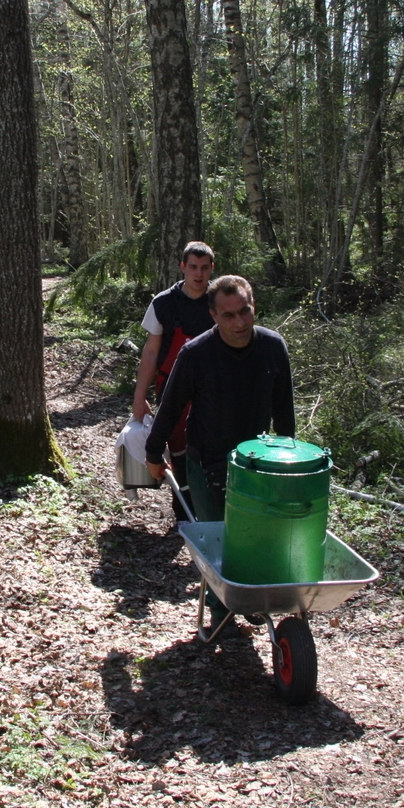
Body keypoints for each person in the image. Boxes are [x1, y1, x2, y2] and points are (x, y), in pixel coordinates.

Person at [144, 274, 295, 639]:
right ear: (213, 315)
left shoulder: (273, 347)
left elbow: (285, 413)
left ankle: (251, 596)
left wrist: (289, 460)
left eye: (245, 311)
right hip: (206, 461)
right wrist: (153, 453)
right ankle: (220, 608)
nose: (239, 322)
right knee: (219, 540)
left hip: (257, 464)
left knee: (257, 537)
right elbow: (170, 406)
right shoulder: (197, 353)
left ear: (253, 306)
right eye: (228, 315)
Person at [132, 242, 215, 496]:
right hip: (171, 388)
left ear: (212, 269)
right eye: (192, 267)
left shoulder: (220, 301)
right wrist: (139, 397)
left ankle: (210, 507)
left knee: (211, 449)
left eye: (204, 268)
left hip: (212, 389)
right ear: (182, 267)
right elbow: (151, 352)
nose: (198, 274)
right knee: (178, 448)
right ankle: (184, 509)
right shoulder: (163, 303)